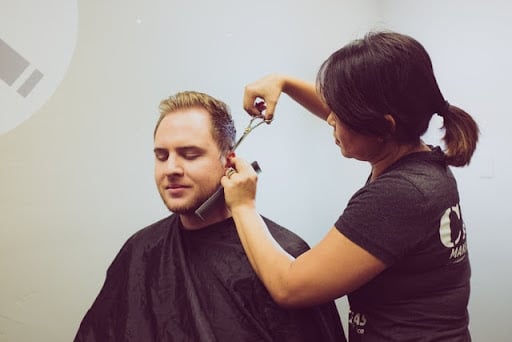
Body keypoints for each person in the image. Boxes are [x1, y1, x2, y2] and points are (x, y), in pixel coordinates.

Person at [222, 31, 479, 341]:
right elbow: (351, 118)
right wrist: (285, 83)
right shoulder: (422, 161)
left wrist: (242, 205)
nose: (330, 119)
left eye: (339, 114)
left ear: (384, 125)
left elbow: (289, 287)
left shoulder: (400, 195)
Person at [74, 91, 346, 341]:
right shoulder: (140, 251)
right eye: (161, 156)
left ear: (229, 161)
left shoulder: (285, 258)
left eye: (189, 155)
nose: (171, 169)